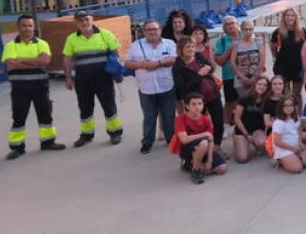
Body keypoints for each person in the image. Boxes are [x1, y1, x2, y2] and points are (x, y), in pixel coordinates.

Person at [2, 14, 66, 159]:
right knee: (19, 117)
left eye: (30, 26)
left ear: (34, 27)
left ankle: (48, 142)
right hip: (20, 88)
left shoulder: (42, 43)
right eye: (24, 26)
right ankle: (17, 148)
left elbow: (45, 61)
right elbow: (11, 64)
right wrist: (35, 61)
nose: (27, 29)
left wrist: (22, 60)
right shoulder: (10, 46)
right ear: (18, 27)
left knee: (45, 114)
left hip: (40, 87)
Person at [62, 11, 123, 147]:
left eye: (86, 19)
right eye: (80, 20)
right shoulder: (71, 38)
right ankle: (86, 135)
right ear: (76, 23)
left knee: (109, 105)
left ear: (92, 19)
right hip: (82, 80)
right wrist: (68, 78)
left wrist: (118, 73)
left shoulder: (105, 34)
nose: (84, 23)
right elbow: (67, 59)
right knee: (85, 108)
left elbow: (116, 54)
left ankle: (115, 133)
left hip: (103, 78)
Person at [125, 19, 178, 155]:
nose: (152, 32)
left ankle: (171, 140)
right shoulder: (136, 45)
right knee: (149, 117)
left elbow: (175, 59)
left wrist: (158, 63)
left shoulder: (169, 43)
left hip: (167, 86)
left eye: (154, 29)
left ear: (160, 30)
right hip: (146, 87)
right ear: (144, 32)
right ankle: (147, 142)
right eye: (148, 30)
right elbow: (128, 63)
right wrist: (142, 65)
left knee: (169, 116)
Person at [173, 36, 224, 145]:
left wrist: (209, 67)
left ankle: (217, 145)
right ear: (180, 49)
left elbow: (210, 66)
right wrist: (198, 75)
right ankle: (202, 148)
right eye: (187, 47)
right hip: (195, 100)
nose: (191, 49)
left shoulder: (199, 56)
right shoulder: (178, 66)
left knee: (218, 121)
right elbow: (183, 87)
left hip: (212, 94)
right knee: (198, 125)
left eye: (193, 46)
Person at [171, 92, 226, 184]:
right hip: (186, 149)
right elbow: (184, 140)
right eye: (193, 104)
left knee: (222, 168)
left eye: (200, 103)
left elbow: (211, 140)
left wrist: (210, 160)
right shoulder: (180, 119)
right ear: (187, 106)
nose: (197, 107)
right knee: (204, 142)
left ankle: (191, 165)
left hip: (204, 148)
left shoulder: (205, 119)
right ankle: (196, 170)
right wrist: (204, 134)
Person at [269, 8, 306, 98]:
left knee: (296, 95)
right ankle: (285, 112)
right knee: (285, 95)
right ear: (284, 17)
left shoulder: (302, 31)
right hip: (282, 66)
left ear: (296, 17)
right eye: (287, 15)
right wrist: (276, 56)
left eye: (292, 15)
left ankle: (297, 112)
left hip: (298, 66)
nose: (290, 18)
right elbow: (273, 46)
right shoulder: (278, 32)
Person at [270, 95, 306, 173]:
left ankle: (293, 158)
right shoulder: (279, 122)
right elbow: (277, 141)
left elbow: (299, 128)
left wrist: (300, 142)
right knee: (297, 168)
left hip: (296, 145)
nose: (288, 108)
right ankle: (280, 160)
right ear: (281, 107)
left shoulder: (296, 117)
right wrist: (293, 149)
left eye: (291, 105)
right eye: (285, 106)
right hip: (284, 148)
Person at [232, 76, 269, 163]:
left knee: (262, 142)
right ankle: (238, 140)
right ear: (254, 85)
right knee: (242, 159)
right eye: (259, 84)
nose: (262, 87)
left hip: (257, 130)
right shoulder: (244, 98)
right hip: (242, 130)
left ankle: (255, 144)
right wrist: (246, 134)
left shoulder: (267, 100)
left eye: (265, 85)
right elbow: (236, 118)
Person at [213, 15, 240, 127]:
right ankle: (225, 125)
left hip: (246, 75)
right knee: (230, 102)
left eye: (232, 23)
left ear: (237, 24)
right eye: (227, 24)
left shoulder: (246, 36)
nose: (230, 26)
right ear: (223, 28)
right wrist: (229, 50)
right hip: (229, 76)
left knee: (245, 101)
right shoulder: (222, 41)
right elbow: (219, 61)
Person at [229, 19, 264, 100]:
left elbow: (262, 60)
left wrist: (255, 76)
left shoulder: (258, 42)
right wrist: (242, 77)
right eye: (246, 29)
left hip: (256, 77)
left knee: (258, 100)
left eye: (250, 29)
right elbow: (233, 63)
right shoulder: (236, 44)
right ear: (241, 30)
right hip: (241, 79)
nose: (248, 32)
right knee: (243, 102)